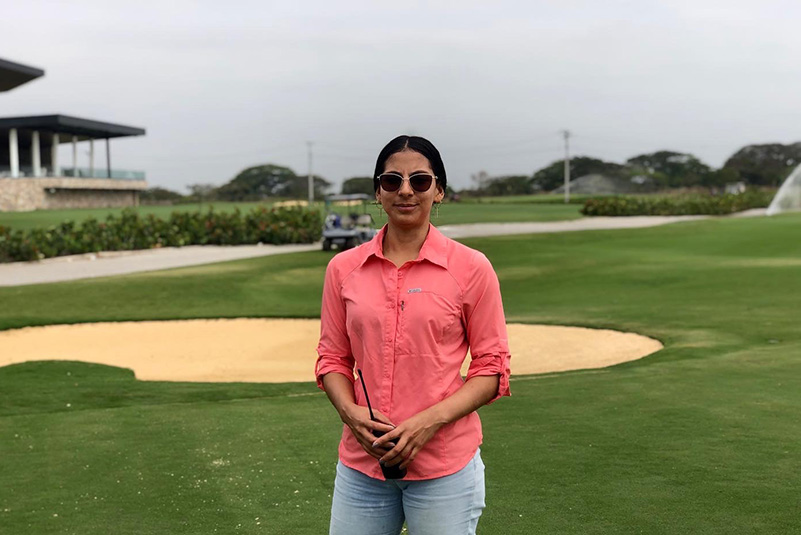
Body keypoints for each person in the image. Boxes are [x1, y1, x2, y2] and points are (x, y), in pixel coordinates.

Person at [315, 135, 511, 535]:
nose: (405, 190)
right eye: (392, 181)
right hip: (362, 466)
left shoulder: (471, 267)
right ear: (378, 192)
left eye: (420, 181)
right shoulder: (343, 268)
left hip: (444, 465)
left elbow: (492, 369)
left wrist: (428, 423)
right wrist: (349, 412)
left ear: (438, 191)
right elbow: (333, 358)